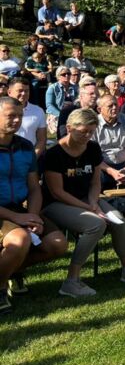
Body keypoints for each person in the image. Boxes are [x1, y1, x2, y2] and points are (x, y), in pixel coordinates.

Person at [42, 108, 125, 297]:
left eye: (91, 132)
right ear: (69, 128)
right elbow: (57, 192)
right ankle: (71, 280)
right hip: (55, 204)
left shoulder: (93, 148)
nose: (87, 136)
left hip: (87, 199)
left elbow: (95, 181)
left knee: (119, 222)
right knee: (95, 224)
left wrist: (93, 203)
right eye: (83, 131)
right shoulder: (54, 154)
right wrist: (89, 208)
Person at [0, 97, 67, 314]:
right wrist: (17, 218)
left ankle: (10, 270)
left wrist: (33, 216)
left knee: (58, 243)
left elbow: (34, 187)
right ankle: (1, 286)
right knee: (19, 239)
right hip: (3, 212)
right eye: (10, 115)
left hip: (20, 208)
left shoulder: (25, 146)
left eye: (20, 116)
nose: (17, 120)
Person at [94, 94, 125, 189]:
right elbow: (92, 155)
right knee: (96, 176)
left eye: (116, 104)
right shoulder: (93, 125)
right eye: (110, 106)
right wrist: (111, 171)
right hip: (103, 166)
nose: (114, 108)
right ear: (99, 109)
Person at [9, 77, 47, 159]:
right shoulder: (1, 110)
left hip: (29, 156)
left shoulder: (38, 111)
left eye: (26, 91)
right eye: (20, 91)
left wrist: (32, 159)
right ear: (9, 92)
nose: (24, 93)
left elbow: (41, 140)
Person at [45, 66, 76, 136]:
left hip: (73, 113)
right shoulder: (52, 88)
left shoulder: (75, 87)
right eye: (63, 74)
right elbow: (49, 105)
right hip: (57, 114)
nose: (67, 75)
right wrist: (61, 115)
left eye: (68, 73)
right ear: (58, 76)